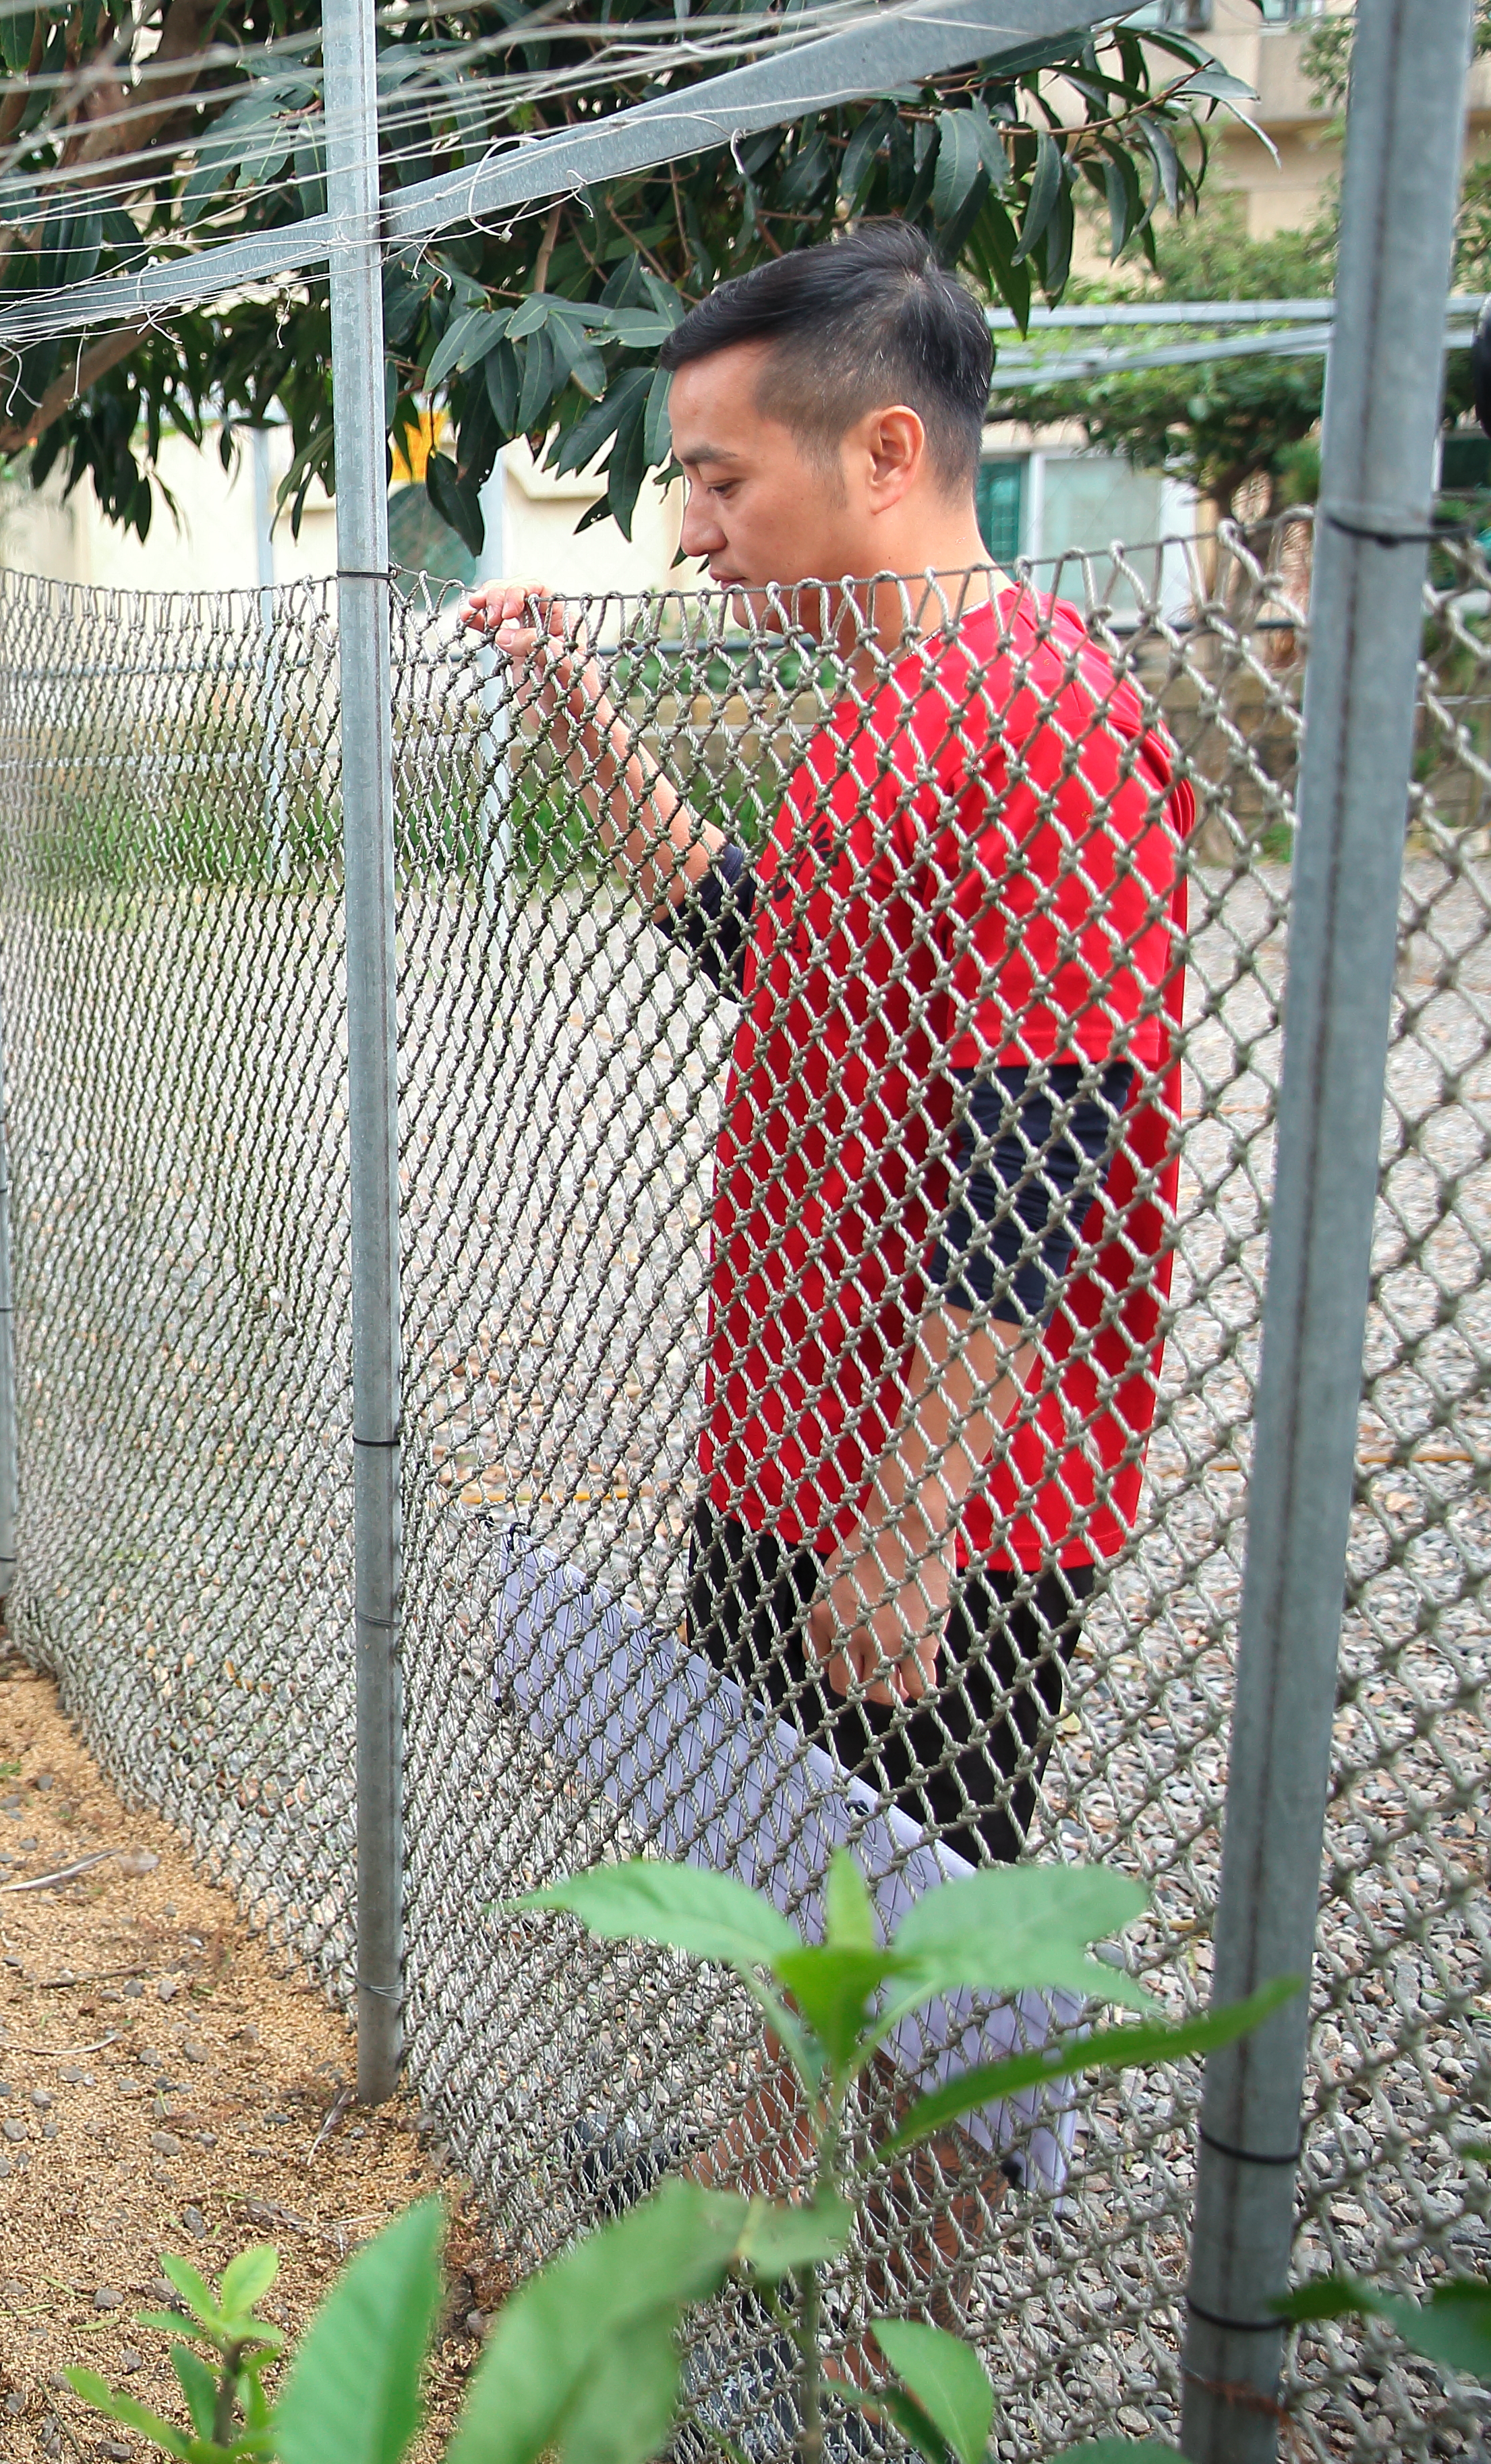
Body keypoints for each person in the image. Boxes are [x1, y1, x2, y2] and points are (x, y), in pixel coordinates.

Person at [461, 224, 1191, 2311]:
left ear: (883, 452)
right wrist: (585, 728)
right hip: (798, 1445)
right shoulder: (890, 712)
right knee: (811, 1897)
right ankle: (744, 2224)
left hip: (940, 1494)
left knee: (920, 1935)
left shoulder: (1038, 716)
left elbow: (1034, 1145)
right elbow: (750, 934)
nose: (690, 530)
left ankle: (881, 2337)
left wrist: (911, 1519)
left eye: (718, 479)